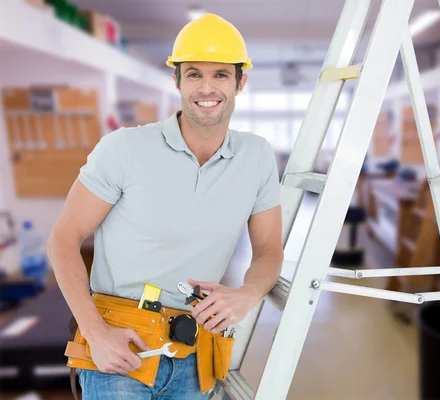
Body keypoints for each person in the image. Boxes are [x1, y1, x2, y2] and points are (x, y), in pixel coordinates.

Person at [48, 13, 283, 400]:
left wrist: (248, 294)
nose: (207, 87)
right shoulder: (124, 149)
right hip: (120, 348)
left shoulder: (257, 156)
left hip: (196, 351)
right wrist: (95, 334)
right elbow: (63, 239)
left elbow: (270, 250)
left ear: (241, 82)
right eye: (194, 74)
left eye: (220, 75)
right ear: (176, 80)